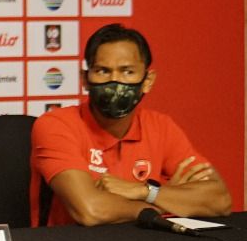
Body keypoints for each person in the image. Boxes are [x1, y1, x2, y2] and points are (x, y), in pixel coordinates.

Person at [29, 23, 230, 226]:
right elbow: (91, 210)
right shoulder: (56, 125)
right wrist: (168, 201)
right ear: (85, 79)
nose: (115, 81)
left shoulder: (161, 126)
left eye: (127, 72)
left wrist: (142, 191)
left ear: (147, 80)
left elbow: (219, 201)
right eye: (103, 71)